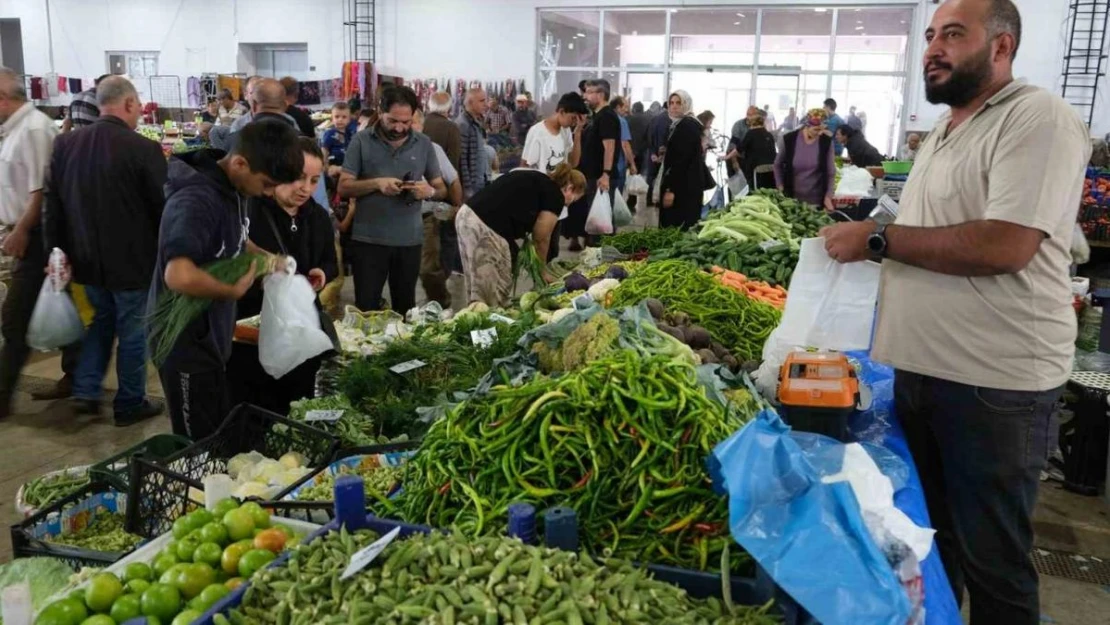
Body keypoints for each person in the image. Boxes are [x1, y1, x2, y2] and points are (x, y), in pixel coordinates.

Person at [820, 2, 1090, 622]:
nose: (934, 48)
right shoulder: (945, 131)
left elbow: (1005, 243)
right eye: (932, 35)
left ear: (1001, 47)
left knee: (995, 563)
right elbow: (931, 227)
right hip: (925, 372)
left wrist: (878, 242)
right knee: (937, 551)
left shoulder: (1035, 119)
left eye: (954, 35)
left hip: (994, 385)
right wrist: (863, 228)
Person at [149, 121, 304, 440]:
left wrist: (269, 259)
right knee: (197, 441)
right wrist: (231, 290)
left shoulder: (234, 188)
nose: (269, 192)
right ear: (240, 163)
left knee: (218, 427)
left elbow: (236, 239)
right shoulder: (194, 202)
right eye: (267, 183)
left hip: (211, 336)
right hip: (184, 342)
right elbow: (178, 274)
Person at [44, 76, 166, 425]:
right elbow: (162, 209)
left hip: (85, 259)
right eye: (139, 106)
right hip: (132, 263)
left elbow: (54, 204)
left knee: (100, 322)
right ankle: (129, 403)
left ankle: (85, 391)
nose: (140, 113)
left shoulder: (66, 145)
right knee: (132, 332)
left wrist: (56, 251)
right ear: (127, 104)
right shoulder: (142, 149)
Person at [235, 137, 337, 414]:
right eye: (298, 178)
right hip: (252, 330)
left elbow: (331, 261)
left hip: (300, 330)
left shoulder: (317, 216)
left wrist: (321, 274)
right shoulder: (249, 213)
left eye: (315, 180)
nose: (306, 188)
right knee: (256, 406)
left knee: (296, 404)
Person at [0, 67, 81, 417]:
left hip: (37, 236)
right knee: (58, 312)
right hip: (25, 232)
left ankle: (2, 396)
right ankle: (80, 378)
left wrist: (20, 230)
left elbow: (41, 191)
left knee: (15, 318)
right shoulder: (15, 129)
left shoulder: (33, 128)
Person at [339, 85, 447, 313]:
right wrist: (377, 183)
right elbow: (344, 187)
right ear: (380, 111)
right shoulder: (361, 141)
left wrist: (428, 192)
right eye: (392, 121)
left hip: (409, 240)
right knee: (366, 309)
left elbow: (441, 188)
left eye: (406, 122)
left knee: (405, 309)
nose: (399, 128)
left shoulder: (424, 143)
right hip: (369, 240)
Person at [457, 164, 586, 306]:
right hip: (484, 226)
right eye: (573, 200)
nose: (569, 205)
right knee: (492, 290)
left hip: (467, 215)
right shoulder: (555, 195)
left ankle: (479, 318)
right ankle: (486, 323)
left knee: (478, 283)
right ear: (570, 188)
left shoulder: (540, 180)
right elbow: (541, 238)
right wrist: (541, 272)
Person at [521, 92, 587, 261]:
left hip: (559, 200)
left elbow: (574, 162)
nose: (573, 123)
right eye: (573, 118)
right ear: (562, 111)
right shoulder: (538, 132)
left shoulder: (565, 132)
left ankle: (543, 279)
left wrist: (577, 132)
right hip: (542, 201)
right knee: (542, 247)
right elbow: (525, 166)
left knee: (553, 249)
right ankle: (540, 282)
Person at [412, 108, 463, 307]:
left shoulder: (432, 148)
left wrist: (458, 207)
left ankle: (439, 301)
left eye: (414, 122)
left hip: (426, 215)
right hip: (395, 216)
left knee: (428, 267)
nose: (409, 127)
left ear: (422, 125)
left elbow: (452, 179)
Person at [566, 79, 621, 249]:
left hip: (600, 178)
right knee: (595, 220)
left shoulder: (607, 116)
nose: (585, 96)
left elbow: (609, 146)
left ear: (600, 94)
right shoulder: (598, 116)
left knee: (601, 222)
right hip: (593, 177)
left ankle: (602, 259)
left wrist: (606, 174)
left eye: (589, 92)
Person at [659, 90, 709, 231]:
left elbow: (681, 162)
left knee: (676, 229)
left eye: (678, 103)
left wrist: (670, 190)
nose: (674, 106)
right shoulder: (683, 124)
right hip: (688, 186)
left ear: (686, 104)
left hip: (682, 189)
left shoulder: (685, 126)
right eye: (671, 103)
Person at [774, 108, 836, 212]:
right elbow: (777, 165)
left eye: (822, 129)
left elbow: (831, 172)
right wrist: (780, 187)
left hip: (816, 201)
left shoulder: (826, 142)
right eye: (816, 129)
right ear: (807, 125)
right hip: (791, 200)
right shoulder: (790, 139)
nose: (819, 133)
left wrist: (828, 196)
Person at [457, 88, 490, 200]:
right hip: (472, 185)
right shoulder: (463, 124)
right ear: (471, 102)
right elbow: (462, 159)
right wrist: (468, 188)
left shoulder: (475, 122)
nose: (486, 104)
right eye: (482, 101)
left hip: (479, 180)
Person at [424, 92, 462, 172]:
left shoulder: (420, 122)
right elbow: (453, 159)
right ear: (449, 107)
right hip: (443, 177)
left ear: (429, 104)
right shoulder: (451, 127)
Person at [738, 114, 778, 190]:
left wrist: (726, 157)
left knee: (756, 190)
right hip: (772, 167)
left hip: (757, 168)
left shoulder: (751, 133)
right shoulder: (769, 134)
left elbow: (739, 149)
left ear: (752, 123)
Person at [611, 96, 639, 194]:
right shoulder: (621, 121)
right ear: (618, 107)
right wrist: (632, 164)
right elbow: (625, 144)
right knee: (617, 196)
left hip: (604, 166)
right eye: (625, 107)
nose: (627, 110)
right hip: (618, 165)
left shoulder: (605, 118)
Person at [321, 102, 357, 174]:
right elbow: (324, 150)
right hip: (334, 167)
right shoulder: (330, 133)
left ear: (349, 119)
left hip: (348, 166)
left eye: (344, 117)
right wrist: (326, 167)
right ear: (332, 118)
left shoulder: (350, 133)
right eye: (337, 117)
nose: (340, 120)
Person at [627, 102, 650, 176]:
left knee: (630, 171)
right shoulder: (648, 119)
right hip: (643, 150)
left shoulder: (628, 119)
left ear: (634, 109)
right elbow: (649, 136)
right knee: (640, 173)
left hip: (629, 149)